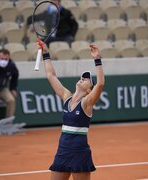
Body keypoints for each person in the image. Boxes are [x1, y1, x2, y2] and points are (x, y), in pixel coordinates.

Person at [38, 39, 105, 180]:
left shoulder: (87, 103)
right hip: (63, 151)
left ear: (89, 90)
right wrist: (46, 53)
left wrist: (97, 60)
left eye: (86, 79)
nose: (82, 79)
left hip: (79, 153)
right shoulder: (66, 96)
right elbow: (51, 75)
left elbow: (100, 84)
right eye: (82, 77)